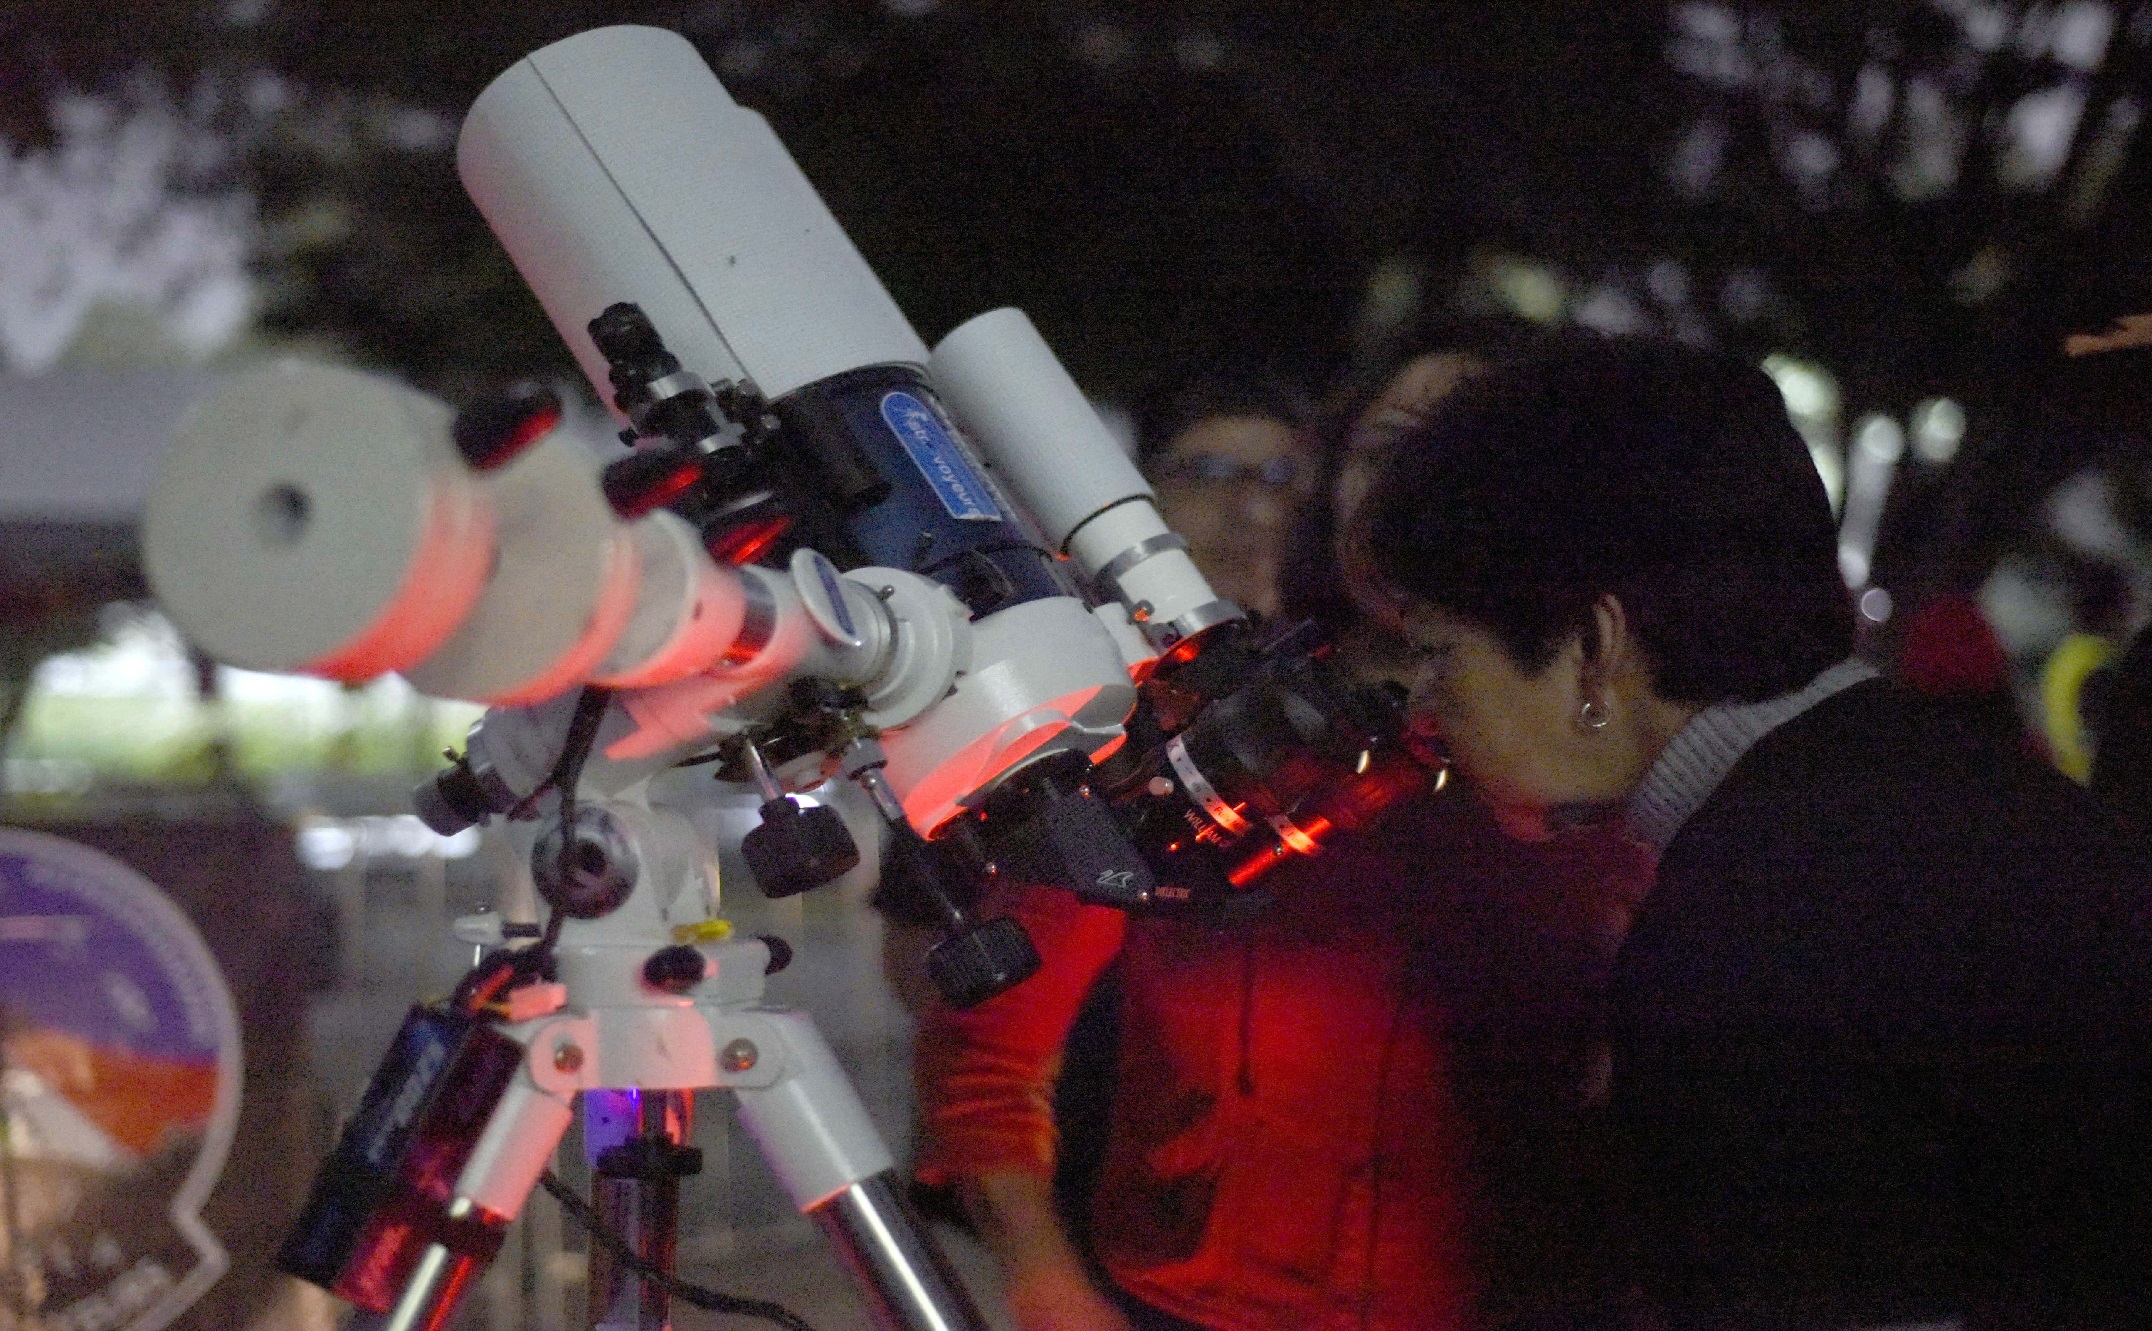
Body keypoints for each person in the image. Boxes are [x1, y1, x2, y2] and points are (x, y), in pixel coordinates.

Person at [1349, 333, 2152, 1327]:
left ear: (1594, 647)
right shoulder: (1963, 792)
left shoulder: (1738, 943)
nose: (1424, 708)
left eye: (1437, 652)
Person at [908, 360, 1650, 1330]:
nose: (1423, 487)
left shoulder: (1619, 751)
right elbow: (984, 1056)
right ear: (1327, 481)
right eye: (1390, 448)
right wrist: (1050, 1285)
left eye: (1472, 452)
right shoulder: (1198, 731)